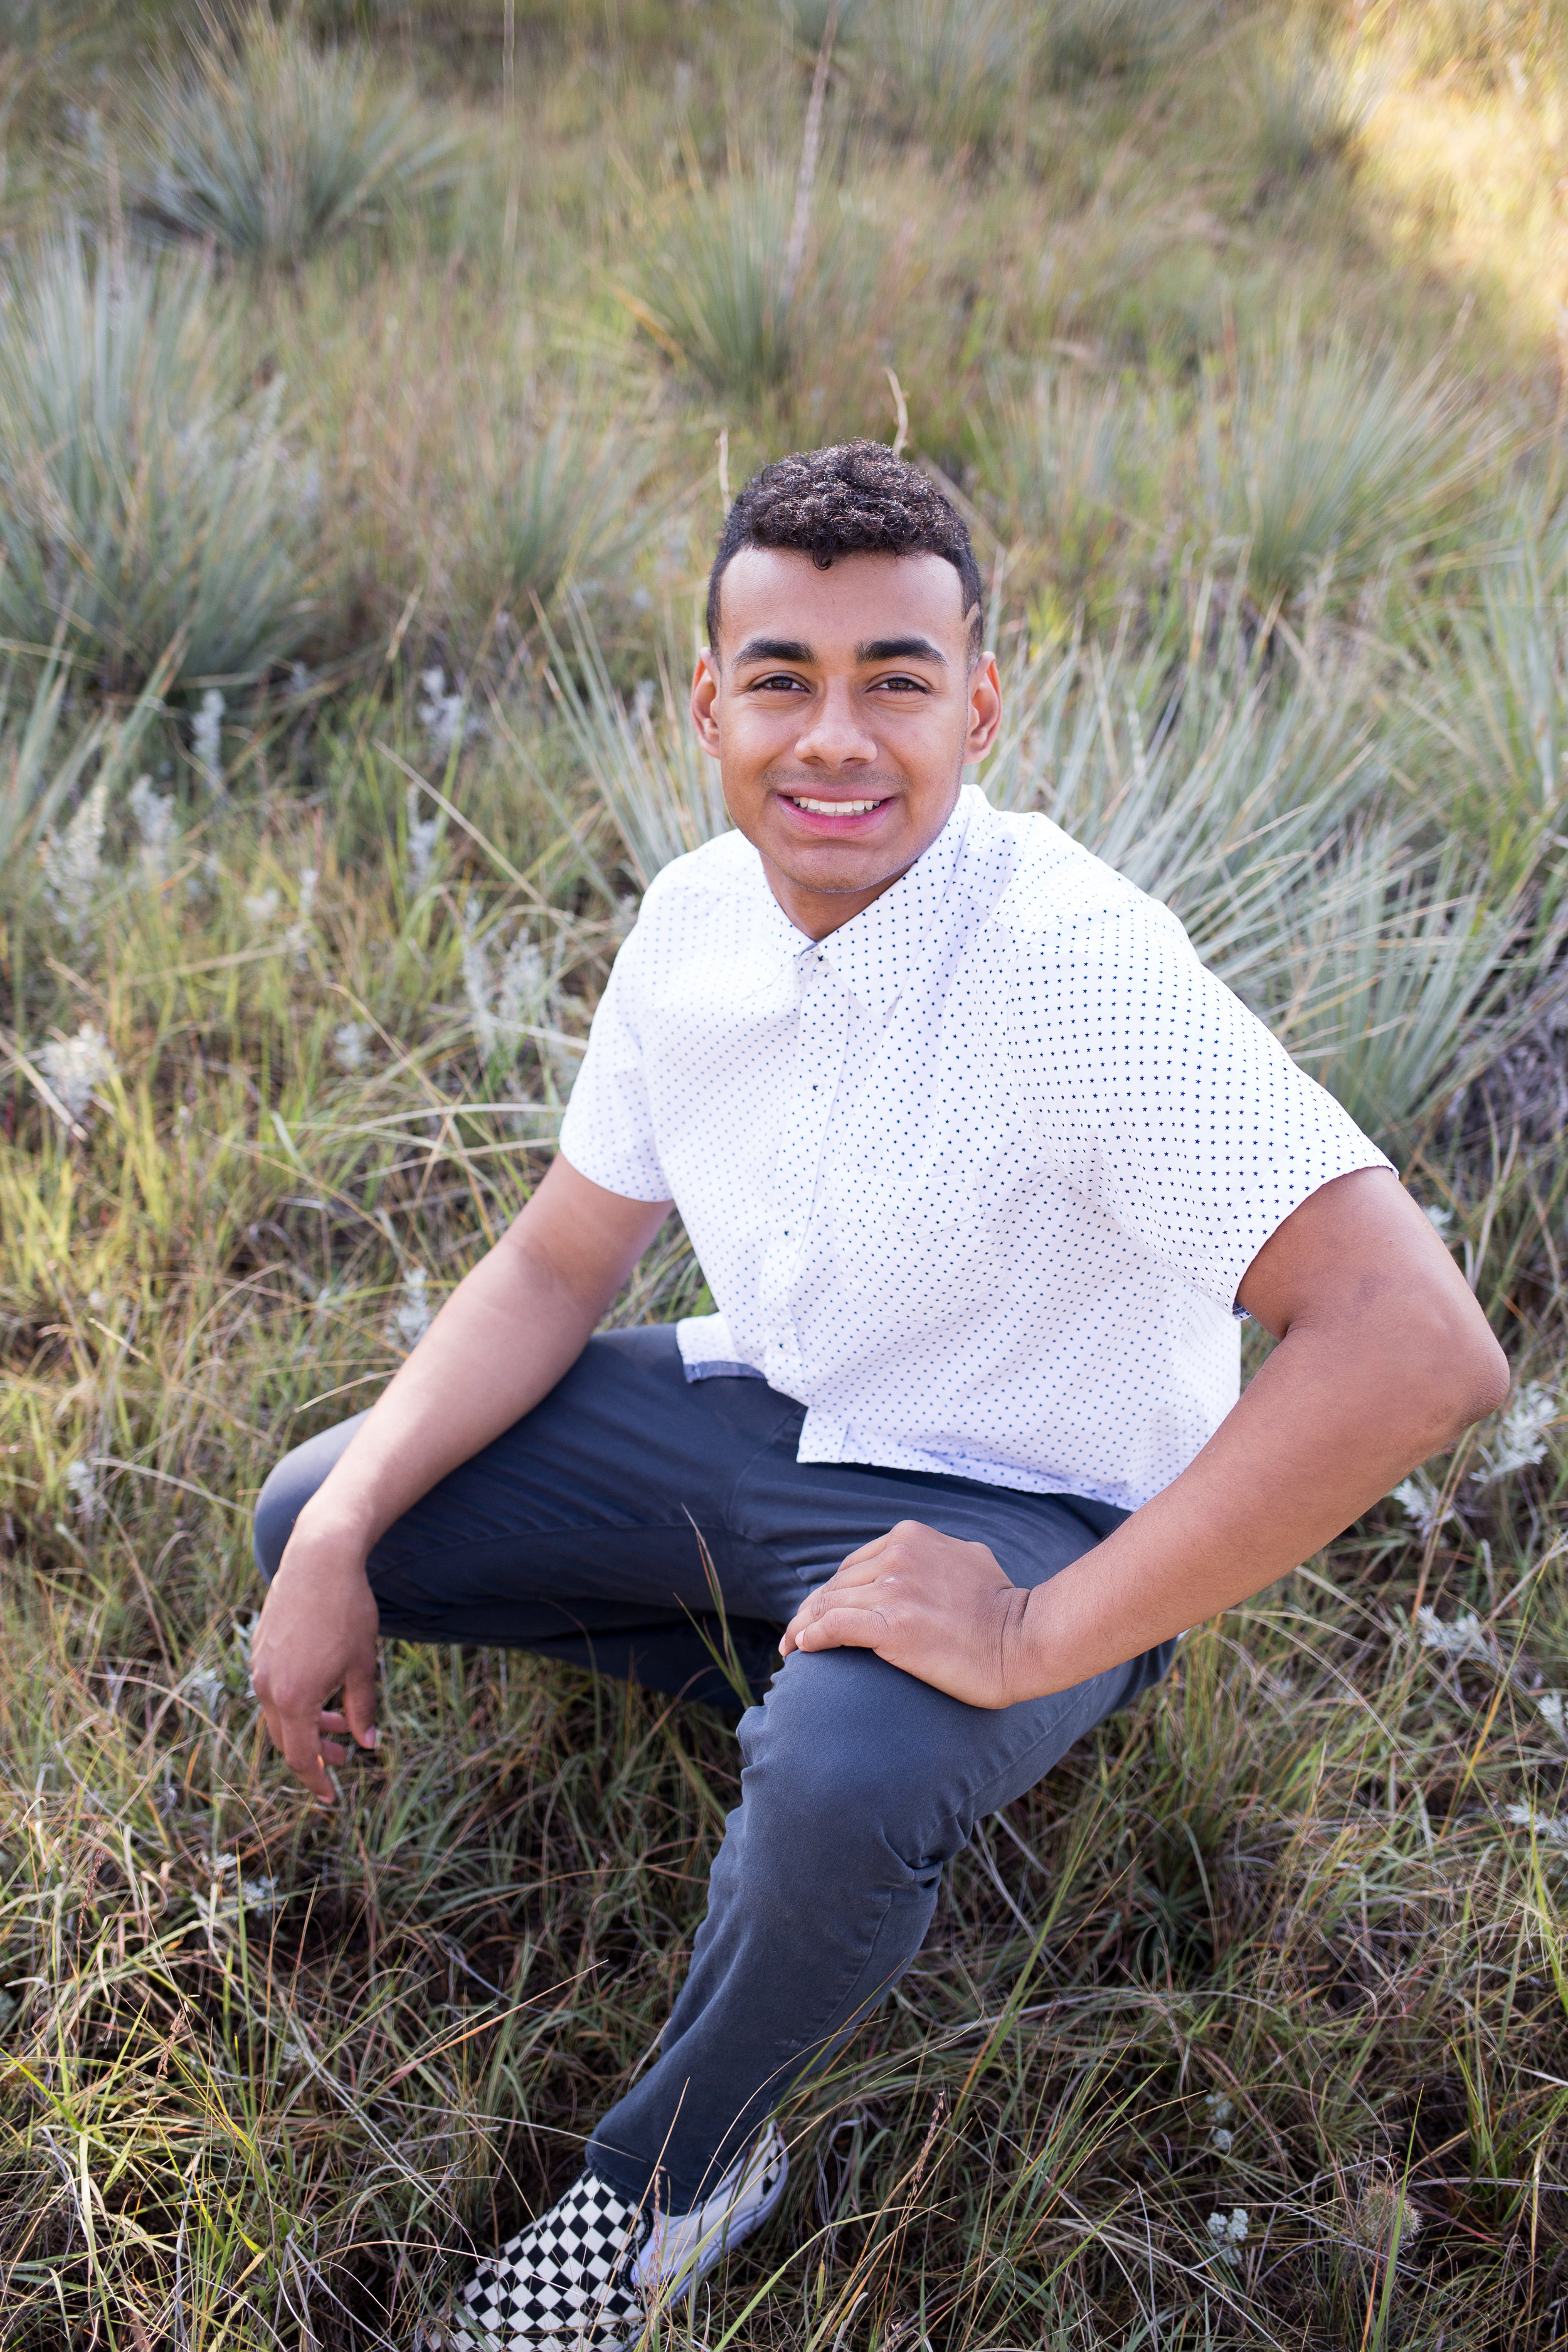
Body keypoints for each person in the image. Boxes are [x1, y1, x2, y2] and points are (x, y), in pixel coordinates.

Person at [250, 441, 1508, 2351]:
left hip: (1041, 1509)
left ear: (977, 703)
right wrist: (341, 1529)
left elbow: (1415, 1345)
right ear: (709, 703)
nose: (833, 737)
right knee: (316, 1512)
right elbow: (554, 1264)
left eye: (894, 681)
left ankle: (675, 2180)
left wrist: (1025, 1633)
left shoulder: (1075, 970)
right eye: (781, 678)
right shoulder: (692, 919)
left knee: (845, 1770)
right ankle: (819, 1718)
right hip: (781, 1418)